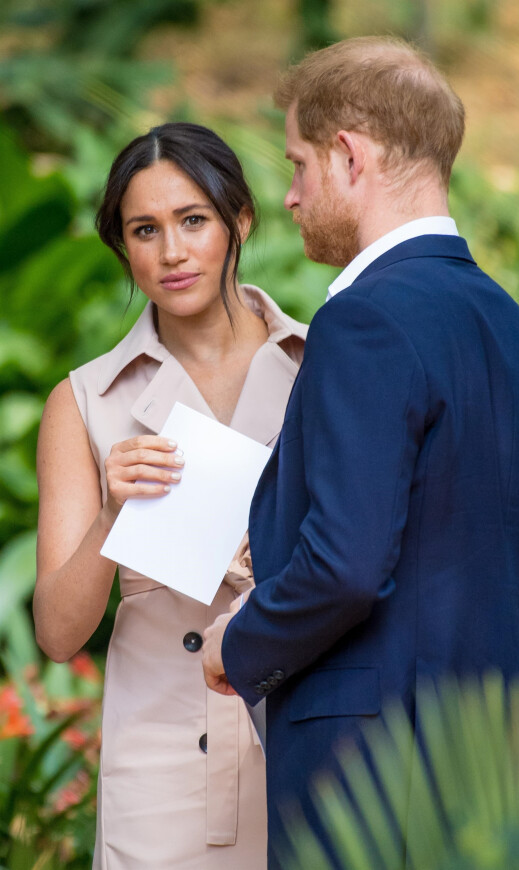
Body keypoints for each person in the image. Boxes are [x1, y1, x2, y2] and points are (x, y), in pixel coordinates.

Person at [202, 36, 519, 868]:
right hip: (498, 778)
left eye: (298, 165)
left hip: (370, 783)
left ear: (349, 155)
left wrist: (241, 640)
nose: (291, 197)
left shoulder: (364, 319)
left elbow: (344, 563)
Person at [33, 122, 307, 869]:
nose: (173, 252)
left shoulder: (322, 366)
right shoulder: (86, 401)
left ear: (240, 221)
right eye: (144, 230)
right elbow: (58, 634)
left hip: (303, 743)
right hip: (158, 770)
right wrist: (114, 516)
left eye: (194, 221)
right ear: (123, 247)